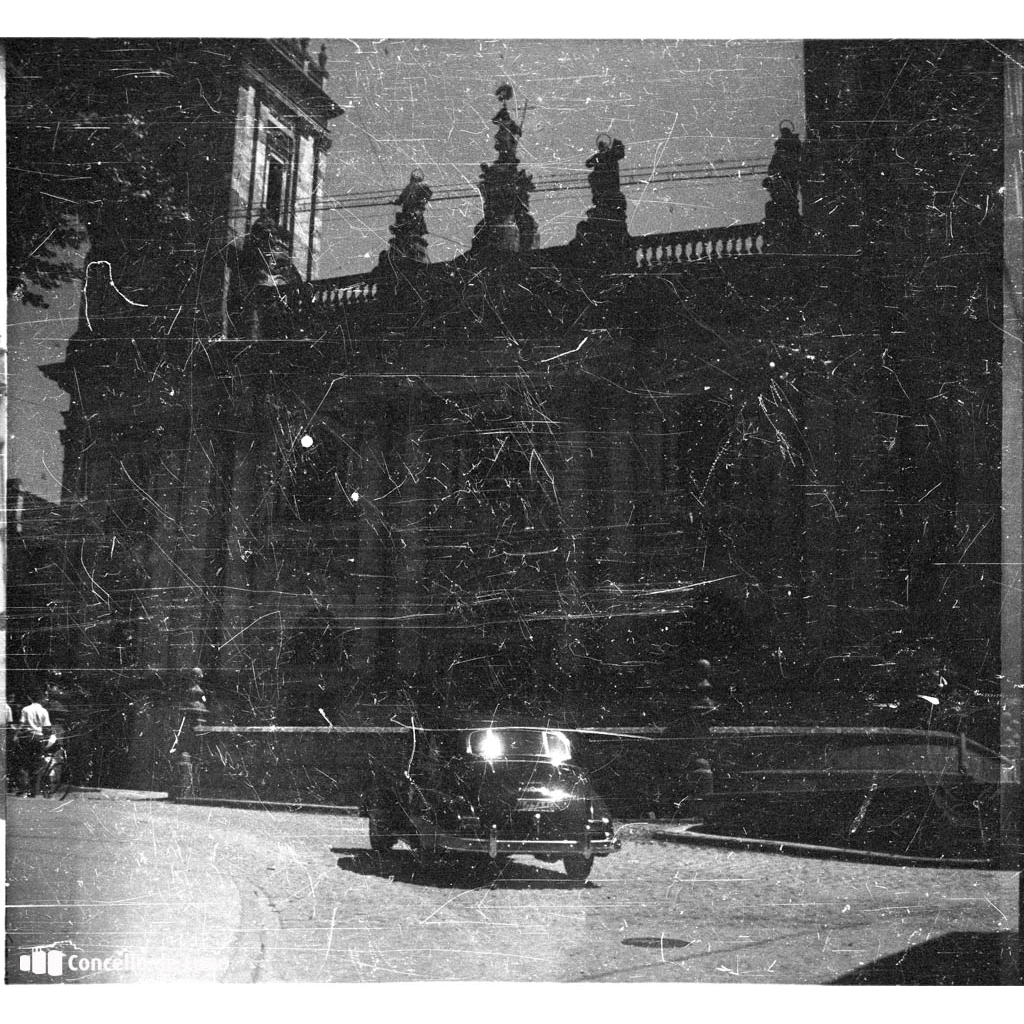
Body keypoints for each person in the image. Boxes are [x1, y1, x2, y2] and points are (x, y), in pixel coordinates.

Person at [16, 693, 52, 797]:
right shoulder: (44, 711)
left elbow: (21, 724)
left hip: (27, 737)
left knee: (23, 763)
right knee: (37, 764)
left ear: (31, 698)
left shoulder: (25, 709)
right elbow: (47, 727)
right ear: (40, 699)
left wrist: (16, 735)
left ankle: (23, 789)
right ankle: (34, 791)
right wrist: (46, 739)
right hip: (38, 738)